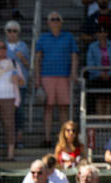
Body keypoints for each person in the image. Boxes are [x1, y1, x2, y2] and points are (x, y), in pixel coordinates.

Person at [34, 11, 79, 146]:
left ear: (61, 22)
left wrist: (73, 72)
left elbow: (74, 56)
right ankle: (47, 138)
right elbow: (37, 60)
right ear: (48, 23)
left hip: (64, 76)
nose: (55, 22)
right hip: (46, 76)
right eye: (52, 19)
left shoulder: (69, 37)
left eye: (57, 19)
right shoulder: (42, 38)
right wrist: (37, 79)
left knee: (63, 108)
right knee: (47, 108)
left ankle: (65, 140)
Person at [86, 25, 111, 116]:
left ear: (107, 33)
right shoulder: (92, 47)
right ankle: (100, 123)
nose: (102, 34)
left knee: (109, 100)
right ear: (96, 34)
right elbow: (90, 62)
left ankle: (107, 123)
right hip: (97, 77)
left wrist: (109, 73)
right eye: (100, 32)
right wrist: (99, 73)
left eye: (104, 32)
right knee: (99, 99)